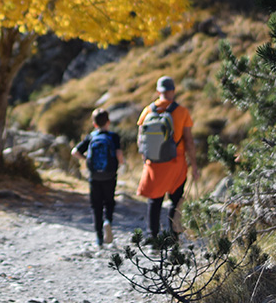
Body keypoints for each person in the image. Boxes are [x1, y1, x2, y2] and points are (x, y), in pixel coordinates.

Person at [136, 75, 200, 240]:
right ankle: (173, 236)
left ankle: (152, 238)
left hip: (153, 163)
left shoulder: (147, 111)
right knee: (176, 200)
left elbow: (140, 140)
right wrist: (194, 166)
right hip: (175, 163)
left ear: (158, 91)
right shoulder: (182, 112)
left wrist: (146, 159)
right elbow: (189, 141)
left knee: (154, 201)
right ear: (173, 91)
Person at [72, 108, 124, 247]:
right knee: (109, 201)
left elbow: (74, 151)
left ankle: (99, 238)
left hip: (94, 176)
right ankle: (108, 221)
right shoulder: (114, 136)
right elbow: (119, 155)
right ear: (108, 122)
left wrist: (86, 159)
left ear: (94, 124)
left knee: (96, 206)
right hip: (110, 175)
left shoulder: (91, 137)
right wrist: (120, 163)